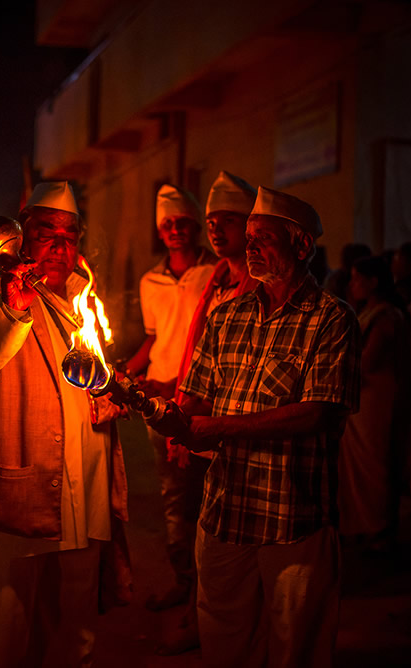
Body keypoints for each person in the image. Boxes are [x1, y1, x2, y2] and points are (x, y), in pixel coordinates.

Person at [155, 186, 360, 668]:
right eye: (248, 238)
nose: (249, 249)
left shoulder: (331, 319)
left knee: (297, 644)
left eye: (263, 238)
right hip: (225, 509)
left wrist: (218, 429)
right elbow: (199, 395)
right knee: (224, 635)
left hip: (294, 515)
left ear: (301, 246)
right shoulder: (226, 315)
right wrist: (159, 408)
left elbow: (319, 412)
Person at [0, 181, 130, 668]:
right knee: (4, 634)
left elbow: (94, 379)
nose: (59, 245)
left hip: (84, 497)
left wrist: (112, 398)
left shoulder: (84, 303)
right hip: (18, 496)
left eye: (69, 236)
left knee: (75, 636)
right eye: (46, 233)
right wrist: (12, 308)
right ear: (21, 238)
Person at [158, 170, 258, 656]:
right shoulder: (219, 281)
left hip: (238, 428)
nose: (217, 229)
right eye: (213, 220)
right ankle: (201, 611)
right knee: (198, 520)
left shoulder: (259, 286)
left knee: (230, 535)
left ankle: (219, 624)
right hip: (201, 419)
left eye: (228, 221)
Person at [124, 182, 215, 613]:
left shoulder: (216, 276)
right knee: (171, 496)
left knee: (203, 495)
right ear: (160, 232)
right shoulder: (150, 281)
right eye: (167, 224)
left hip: (198, 402)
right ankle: (185, 582)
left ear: (196, 228)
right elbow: (154, 339)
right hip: (158, 405)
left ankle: (210, 589)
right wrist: (122, 375)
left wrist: (179, 386)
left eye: (182, 223)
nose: (175, 230)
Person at [339, 256, 411, 549]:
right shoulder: (369, 311)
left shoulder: (386, 316)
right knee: (359, 465)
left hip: (375, 400)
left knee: (374, 461)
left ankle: (378, 526)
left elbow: (368, 362)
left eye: (357, 278)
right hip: (362, 399)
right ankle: (361, 524)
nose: (351, 284)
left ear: (374, 282)